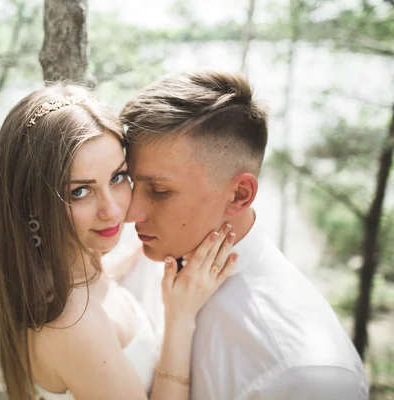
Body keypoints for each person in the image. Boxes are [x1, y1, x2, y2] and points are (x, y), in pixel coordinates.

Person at [120, 70, 369, 400]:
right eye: (131, 183)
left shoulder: (301, 370)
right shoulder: (142, 255)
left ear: (238, 195)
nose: (129, 214)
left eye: (160, 191)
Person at [0, 84, 238, 399]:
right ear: (32, 205)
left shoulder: (70, 273)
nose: (114, 209)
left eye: (118, 177)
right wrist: (181, 317)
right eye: (79, 191)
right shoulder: (75, 327)